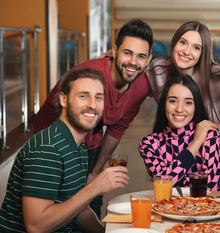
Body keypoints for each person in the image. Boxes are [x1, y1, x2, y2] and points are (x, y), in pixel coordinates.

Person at [32, 19, 153, 217]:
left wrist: (96, 171)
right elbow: (66, 118)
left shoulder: (141, 86)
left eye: (141, 56)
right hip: (54, 138)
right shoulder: (89, 76)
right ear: (114, 51)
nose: (133, 62)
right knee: (60, 204)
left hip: (89, 139)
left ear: (148, 60)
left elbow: (118, 127)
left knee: (92, 202)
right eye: (127, 53)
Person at [0, 68, 129, 233]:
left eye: (98, 97)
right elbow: (36, 226)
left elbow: (80, 209)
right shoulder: (48, 148)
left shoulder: (78, 146)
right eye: (83, 96)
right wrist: (95, 188)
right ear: (63, 99)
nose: (92, 105)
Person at [146, 21, 220, 192]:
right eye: (183, 42)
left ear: (204, 52)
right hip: (182, 144)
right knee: (179, 195)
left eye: (196, 47)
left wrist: (210, 130)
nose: (186, 51)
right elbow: (131, 81)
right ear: (175, 42)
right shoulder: (158, 69)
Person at [139, 74, 220, 191]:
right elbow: (164, 184)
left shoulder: (209, 135)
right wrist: (196, 142)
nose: (179, 109)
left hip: (201, 207)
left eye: (188, 103)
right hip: (166, 207)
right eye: (173, 101)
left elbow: (211, 186)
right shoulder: (149, 144)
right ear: (164, 104)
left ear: (195, 106)